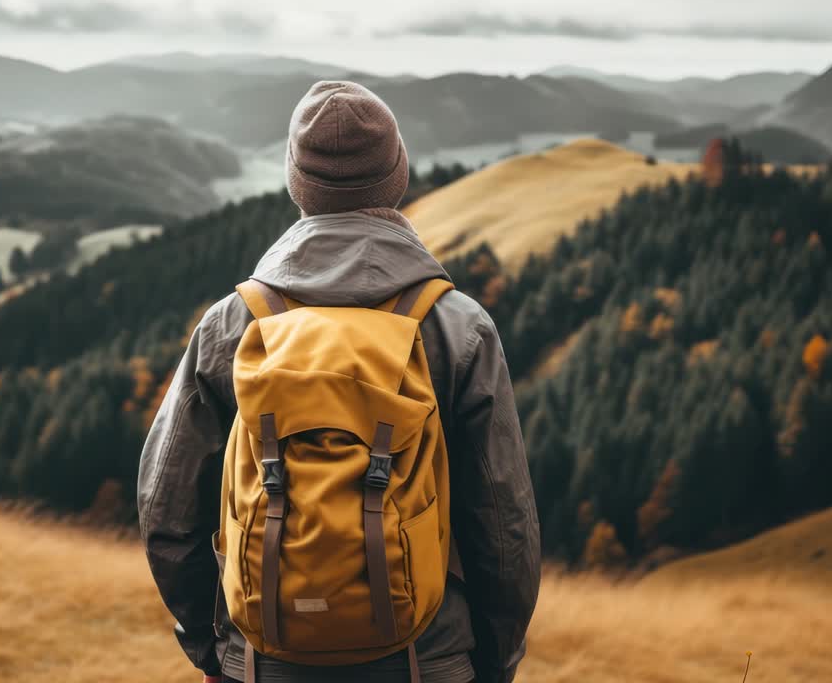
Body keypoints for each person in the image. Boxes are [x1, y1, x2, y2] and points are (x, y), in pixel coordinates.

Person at [137, 80, 540, 683]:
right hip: (424, 662)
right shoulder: (458, 328)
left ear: (297, 184)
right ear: (397, 176)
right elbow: (504, 523)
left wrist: (216, 649)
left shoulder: (233, 323)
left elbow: (165, 507)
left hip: (263, 664)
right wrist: (491, 663)